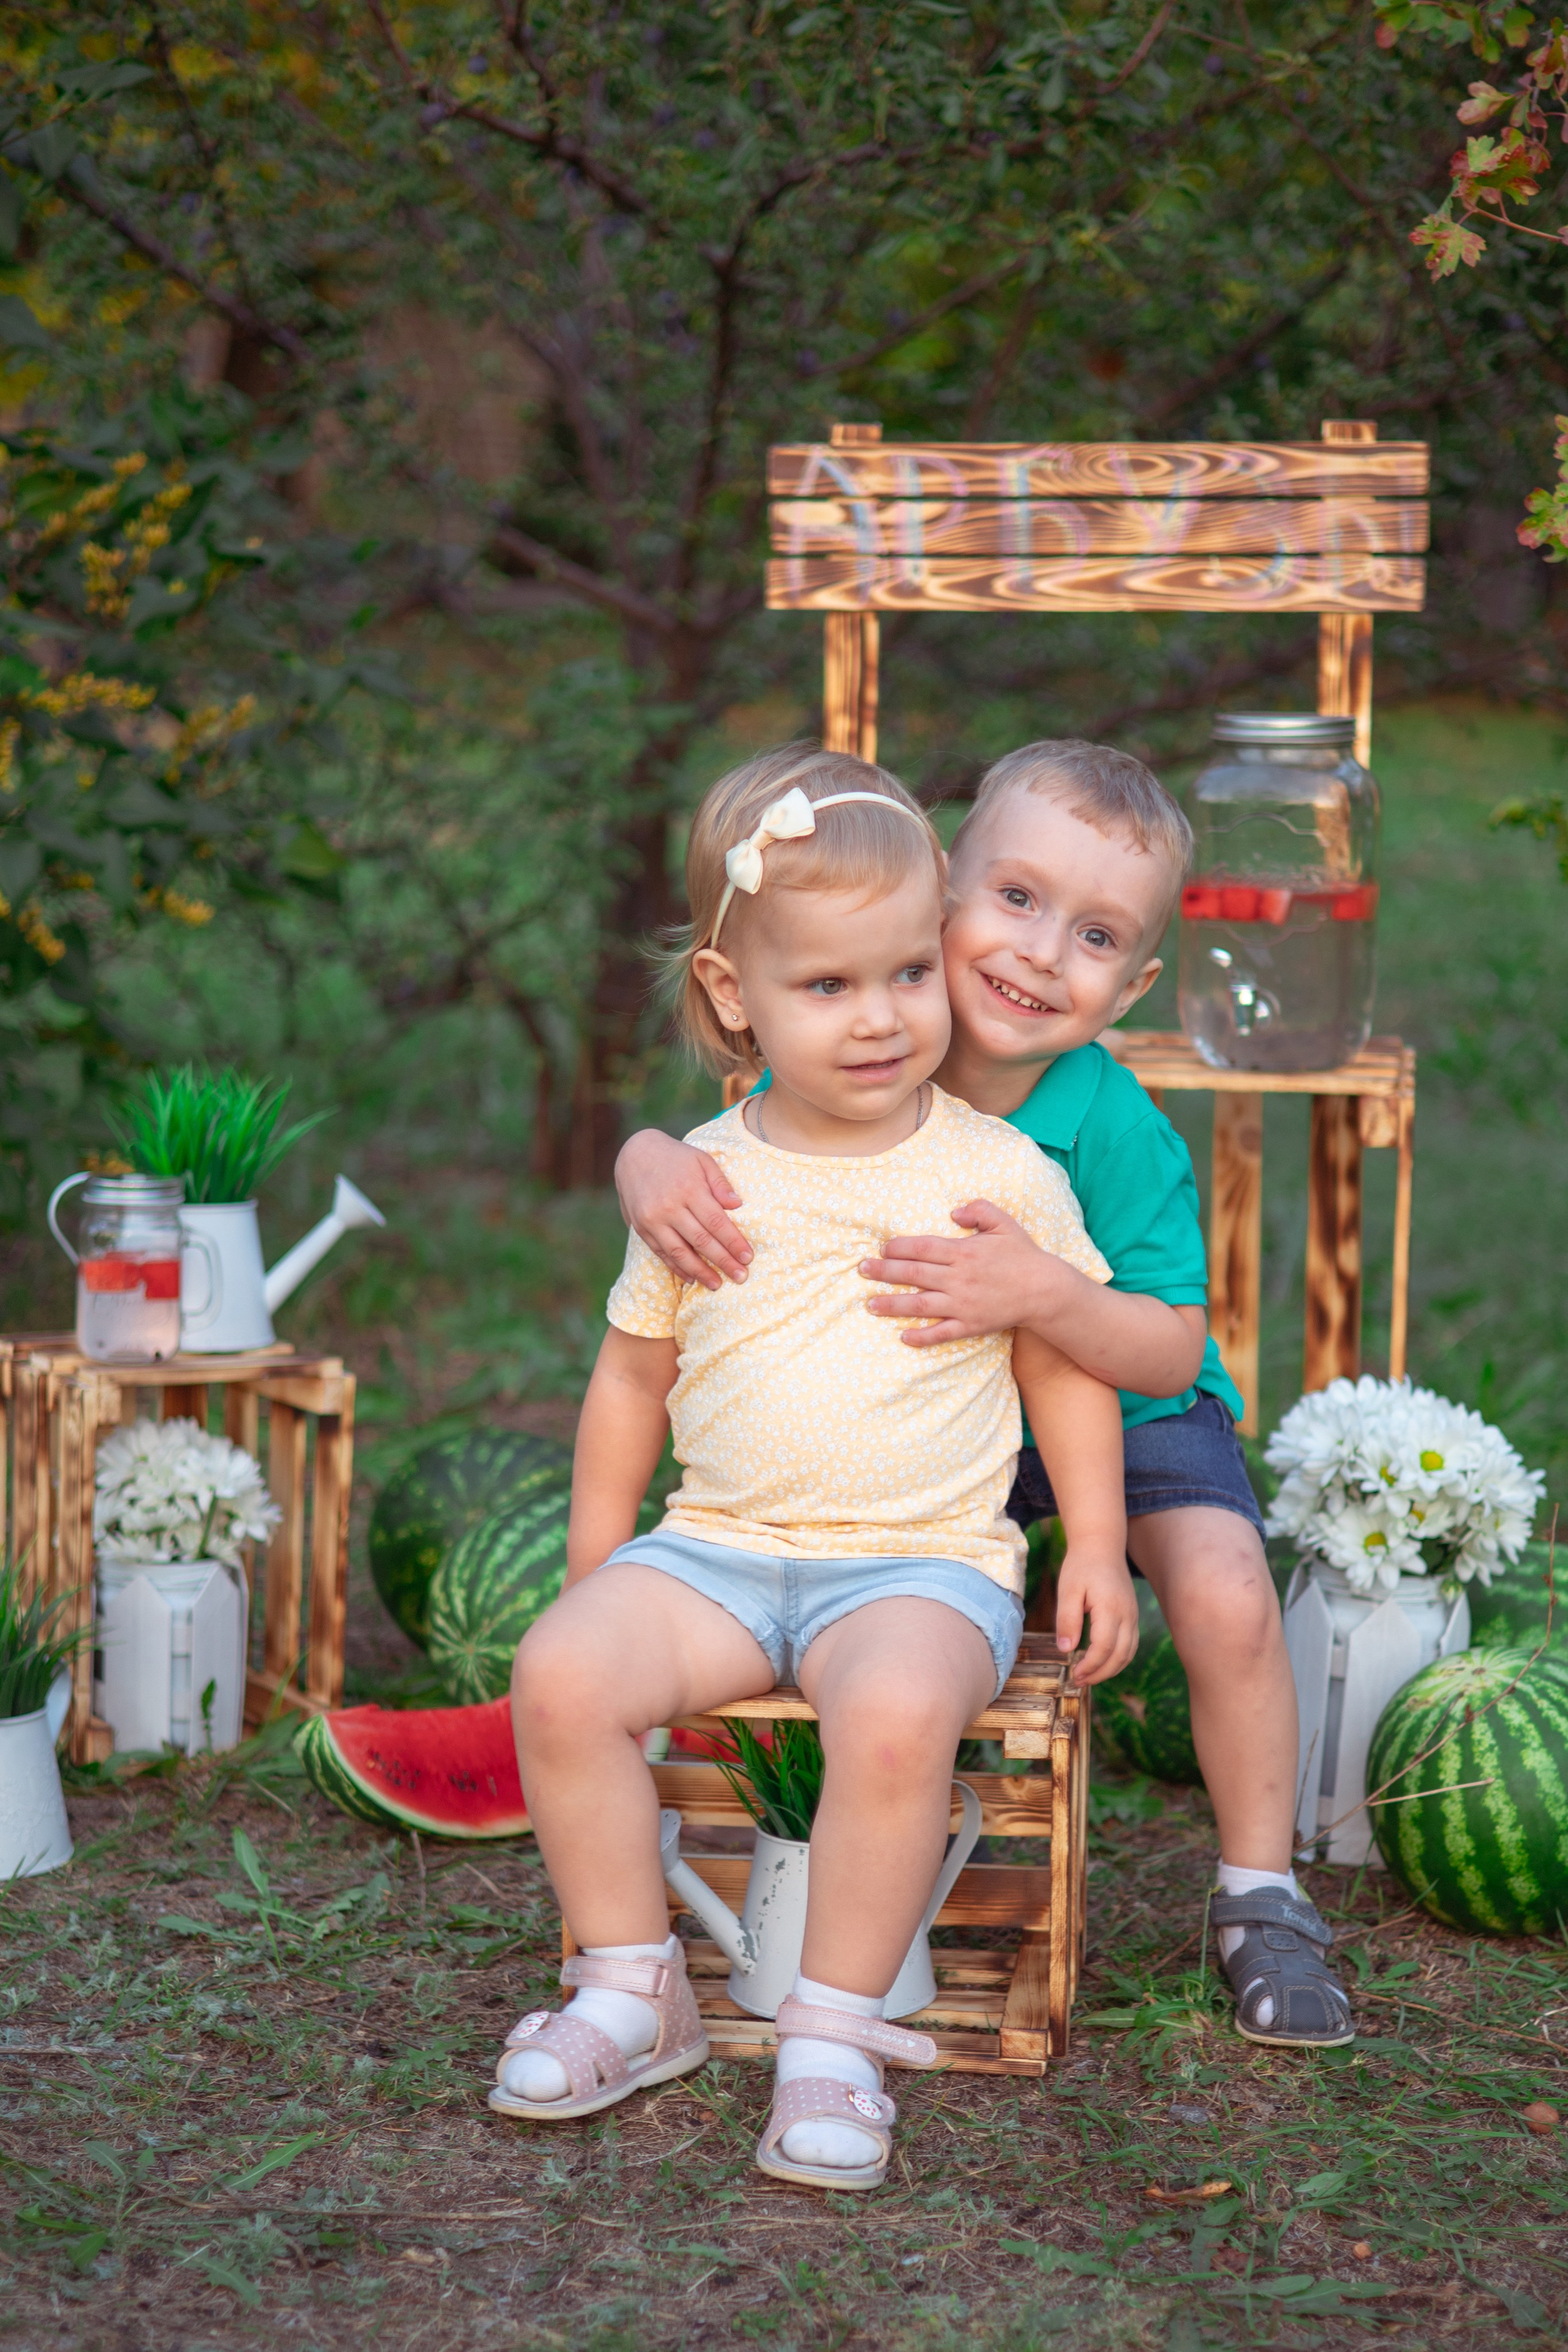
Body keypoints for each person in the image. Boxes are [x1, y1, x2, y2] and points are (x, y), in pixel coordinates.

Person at [616, 739, 1355, 2050]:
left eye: (1092, 936)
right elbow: (728, 1142)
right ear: (939, 892)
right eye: (1012, 900)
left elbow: (1168, 1350)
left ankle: (1262, 1893)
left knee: (1227, 1589)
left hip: (1118, 1400)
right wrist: (642, 1158)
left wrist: (1041, 1296)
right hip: (929, 1420)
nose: (1035, 954)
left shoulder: (1111, 1122)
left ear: (1131, 984)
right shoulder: (866, 1033)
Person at [497, 745, 1136, 2189]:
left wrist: (1089, 1541)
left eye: (908, 975)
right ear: (733, 997)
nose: (881, 1020)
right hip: (718, 1545)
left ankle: (833, 2035)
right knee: (560, 1675)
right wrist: (602, 1564)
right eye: (827, 987)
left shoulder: (996, 1174)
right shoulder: (697, 1179)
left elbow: (1059, 1363)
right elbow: (631, 1375)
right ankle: (628, 1986)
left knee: (900, 1711)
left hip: (918, 1559)